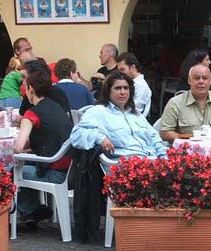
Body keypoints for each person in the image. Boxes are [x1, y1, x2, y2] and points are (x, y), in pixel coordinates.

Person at [14, 71, 73, 231]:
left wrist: (22, 146)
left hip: (53, 173)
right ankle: (31, 211)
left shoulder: (32, 113)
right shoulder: (56, 107)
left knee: (11, 172)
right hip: (70, 170)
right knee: (26, 166)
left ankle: (29, 210)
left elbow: (18, 148)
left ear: (30, 89)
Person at [70, 71, 167, 160]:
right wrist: (100, 138)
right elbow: (77, 135)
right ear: (108, 91)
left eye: (126, 88)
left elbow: (154, 137)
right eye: (117, 88)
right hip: (124, 167)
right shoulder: (98, 111)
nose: (123, 92)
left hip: (151, 162)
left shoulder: (136, 114)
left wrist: (165, 157)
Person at [160, 64, 211, 143]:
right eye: (197, 78)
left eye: (205, 78)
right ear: (189, 80)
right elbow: (165, 132)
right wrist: (189, 139)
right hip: (186, 151)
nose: (201, 81)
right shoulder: (175, 103)